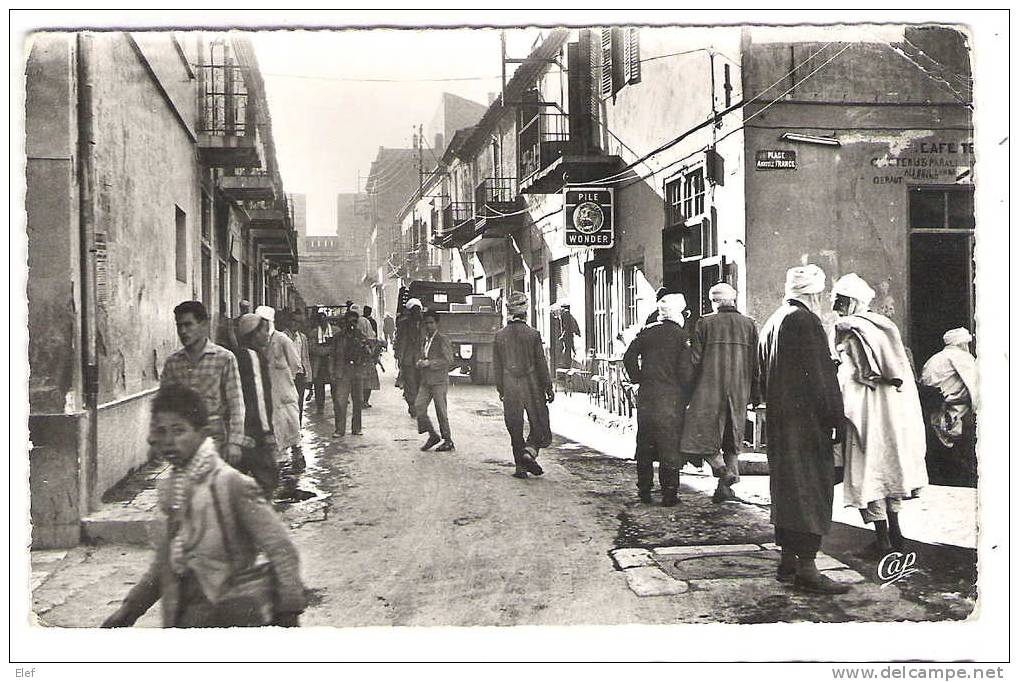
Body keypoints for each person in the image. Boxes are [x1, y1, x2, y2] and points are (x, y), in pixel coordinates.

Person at [101, 384, 306, 628]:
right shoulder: (175, 488)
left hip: (233, 618)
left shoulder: (232, 484)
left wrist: (288, 610)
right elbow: (168, 559)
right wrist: (130, 609)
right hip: (185, 617)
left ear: (202, 433)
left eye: (179, 431)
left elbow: (280, 548)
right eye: (161, 431)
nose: (168, 441)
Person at [758, 264, 849, 595]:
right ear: (813, 293)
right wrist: (835, 418)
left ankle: (788, 561)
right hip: (807, 424)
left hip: (782, 424)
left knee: (787, 489)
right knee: (812, 489)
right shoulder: (805, 321)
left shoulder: (773, 321)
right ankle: (808, 568)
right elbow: (820, 379)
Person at [831, 273, 928, 555]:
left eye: (841, 300)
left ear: (852, 301)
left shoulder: (851, 330)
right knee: (890, 465)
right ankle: (895, 534)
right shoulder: (886, 328)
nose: (837, 305)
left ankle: (883, 539)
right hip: (891, 411)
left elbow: (856, 374)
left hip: (866, 410)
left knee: (869, 466)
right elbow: (897, 373)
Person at [680, 283, 760, 504]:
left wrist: (687, 389)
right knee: (732, 437)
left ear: (713, 301)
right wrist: (755, 393)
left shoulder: (705, 323)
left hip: (709, 388)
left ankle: (723, 471)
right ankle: (724, 488)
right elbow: (756, 365)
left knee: (699, 434)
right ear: (733, 300)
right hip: (739, 389)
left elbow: (695, 360)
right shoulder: (749, 325)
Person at [623, 293, 695, 506]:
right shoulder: (681, 336)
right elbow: (685, 370)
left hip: (647, 396)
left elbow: (628, 357)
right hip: (671, 399)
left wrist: (638, 379)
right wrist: (687, 392)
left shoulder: (647, 332)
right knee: (669, 444)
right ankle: (669, 493)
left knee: (644, 442)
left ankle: (644, 490)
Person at [161, 300, 245, 468]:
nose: (183, 331)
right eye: (179, 326)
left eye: (188, 325)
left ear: (204, 324)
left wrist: (235, 443)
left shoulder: (224, 358)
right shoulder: (173, 363)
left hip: (214, 441)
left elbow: (236, 404)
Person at [217, 315, 278, 500]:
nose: (267, 335)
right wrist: (267, 431)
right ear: (254, 333)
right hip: (255, 432)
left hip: (240, 431)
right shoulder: (252, 357)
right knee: (267, 483)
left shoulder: (238, 355)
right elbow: (258, 396)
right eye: (264, 330)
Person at [494, 291, 554, 478]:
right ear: (525, 312)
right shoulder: (533, 334)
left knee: (515, 426)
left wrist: (501, 389)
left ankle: (521, 467)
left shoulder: (499, 336)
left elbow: (497, 367)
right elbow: (541, 364)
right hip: (531, 384)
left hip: (510, 384)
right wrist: (548, 387)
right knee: (540, 421)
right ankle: (530, 452)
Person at [255, 306, 304, 473]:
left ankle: (297, 455)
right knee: (274, 428)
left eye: (265, 322)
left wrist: (285, 380)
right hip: (268, 394)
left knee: (291, 425)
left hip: (284, 392)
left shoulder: (282, 340)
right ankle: (281, 465)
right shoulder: (257, 343)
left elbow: (295, 365)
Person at [920, 327, 978, 449]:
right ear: (962, 343)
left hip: (932, 415)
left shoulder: (935, 358)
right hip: (950, 414)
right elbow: (974, 386)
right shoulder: (961, 356)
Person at [415, 309, 455, 451]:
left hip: (439, 381)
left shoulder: (442, 339)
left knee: (441, 412)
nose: (429, 326)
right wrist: (420, 362)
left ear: (437, 323)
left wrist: (430, 363)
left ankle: (448, 440)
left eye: (431, 323)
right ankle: (432, 435)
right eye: (426, 323)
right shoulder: (425, 339)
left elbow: (449, 360)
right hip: (426, 381)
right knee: (419, 407)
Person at [330, 309, 370, 438]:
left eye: (355, 321)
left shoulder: (360, 336)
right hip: (343, 371)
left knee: (358, 401)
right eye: (350, 321)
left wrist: (365, 347)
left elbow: (368, 354)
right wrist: (332, 372)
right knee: (340, 401)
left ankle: (356, 428)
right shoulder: (338, 337)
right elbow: (332, 355)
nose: (352, 324)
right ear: (345, 322)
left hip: (357, 371)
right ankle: (339, 429)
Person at [278, 310, 313, 427]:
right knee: (287, 404)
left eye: (298, 322)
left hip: (299, 374)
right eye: (293, 321)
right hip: (286, 375)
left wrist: (308, 376)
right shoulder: (281, 337)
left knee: (299, 404)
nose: (295, 324)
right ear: (289, 321)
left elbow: (305, 357)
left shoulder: (302, 338)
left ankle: (297, 429)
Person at [395, 298, 424, 418]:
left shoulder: (425, 324)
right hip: (408, 359)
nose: (417, 312)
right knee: (410, 384)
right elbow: (401, 341)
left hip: (421, 359)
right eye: (414, 310)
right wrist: (400, 358)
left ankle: (417, 405)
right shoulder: (404, 324)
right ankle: (412, 406)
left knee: (420, 383)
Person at [308, 311, 335, 414]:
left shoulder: (335, 331)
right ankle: (320, 407)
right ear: (318, 322)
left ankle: (337, 405)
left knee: (335, 386)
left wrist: (323, 349)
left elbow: (338, 348)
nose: (323, 322)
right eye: (321, 321)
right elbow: (313, 349)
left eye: (325, 320)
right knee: (319, 387)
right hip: (318, 365)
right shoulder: (313, 333)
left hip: (332, 364)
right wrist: (328, 349)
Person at [359, 305, 382, 408]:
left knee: (363, 380)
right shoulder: (368, 322)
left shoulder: (364, 321)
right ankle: (364, 401)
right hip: (366, 357)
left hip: (363, 358)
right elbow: (374, 338)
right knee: (367, 380)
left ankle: (362, 400)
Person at [558, 303, 581, 369]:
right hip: (569, 335)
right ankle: (567, 363)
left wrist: (562, 335)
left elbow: (566, 327)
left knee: (567, 349)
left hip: (568, 335)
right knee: (569, 348)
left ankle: (566, 364)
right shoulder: (565, 314)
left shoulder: (565, 314)